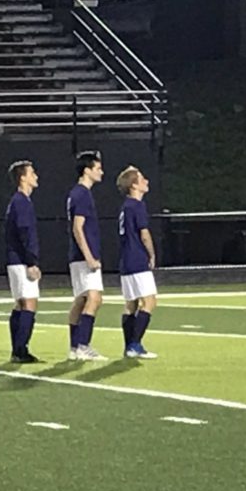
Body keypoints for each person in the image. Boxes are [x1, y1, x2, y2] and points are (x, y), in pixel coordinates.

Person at [66, 150, 108, 362]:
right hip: (83, 256)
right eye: (98, 168)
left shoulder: (78, 193)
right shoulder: (82, 194)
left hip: (77, 256)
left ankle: (75, 347)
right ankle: (83, 345)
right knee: (94, 298)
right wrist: (90, 256)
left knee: (81, 300)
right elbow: (78, 227)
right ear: (87, 170)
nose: (101, 172)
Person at [117, 166, 158, 359]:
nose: (146, 181)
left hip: (126, 260)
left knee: (131, 304)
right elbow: (144, 233)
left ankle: (129, 346)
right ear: (134, 185)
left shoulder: (125, 206)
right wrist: (151, 254)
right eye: (141, 179)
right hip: (137, 259)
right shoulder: (137, 205)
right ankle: (135, 344)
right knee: (149, 301)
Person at [4, 161, 43, 363]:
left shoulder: (17, 201)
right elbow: (24, 233)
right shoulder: (22, 202)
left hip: (15, 259)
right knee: (29, 303)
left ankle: (17, 349)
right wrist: (31, 262)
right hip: (21, 260)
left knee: (20, 303)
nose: (35, 175)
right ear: (23, 177)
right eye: (32, 172)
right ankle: (21, 349)